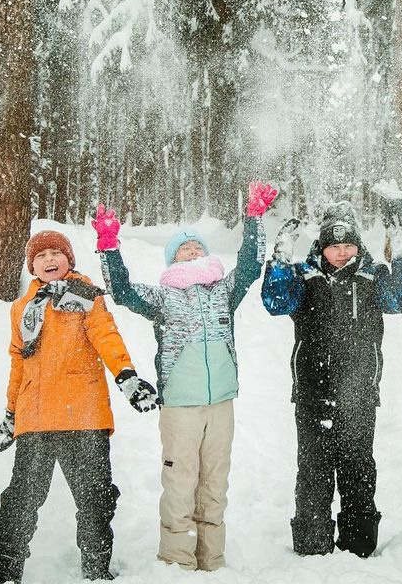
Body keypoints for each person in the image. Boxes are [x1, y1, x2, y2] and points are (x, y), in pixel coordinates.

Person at [92, 181, 276, 571]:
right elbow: (122, 292)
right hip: (180, 405)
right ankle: (176, 563)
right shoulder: (162, 298)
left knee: (214, 483)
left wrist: (255, 219)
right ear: (173, 261)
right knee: (180, 484)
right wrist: (109, 247)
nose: (192, 251)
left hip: (221, 402)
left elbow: (249, 266)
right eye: (183, 249)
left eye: (197, 248)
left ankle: (213, 561)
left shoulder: (224, 291)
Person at [0, 230, 159, 584]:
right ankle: (7, 572)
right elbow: (17, 364)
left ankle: (97, 571)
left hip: (83, 415)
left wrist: (126, 376)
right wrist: (10, 413)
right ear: (32, 266)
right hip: (35, 420)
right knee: (21, 501)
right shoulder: (22, 308)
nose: (49, 260)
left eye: (56, 253)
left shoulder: (85, 295)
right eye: (41, 256)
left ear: (69, 260)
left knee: (96, 499)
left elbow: (106, 336)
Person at [261, 202, 402, 558]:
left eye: (348, 245)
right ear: (322, 247)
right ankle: (312, 542)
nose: (341, 252)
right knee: (314, 471)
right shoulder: (304, 276)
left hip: (359, 395)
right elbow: (275, 302)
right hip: (312, 394)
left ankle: (359, 543)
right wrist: (281, 259)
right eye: (335, 246)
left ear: (358, 246)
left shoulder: (371, 277)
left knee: (358, 468)